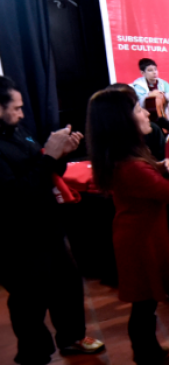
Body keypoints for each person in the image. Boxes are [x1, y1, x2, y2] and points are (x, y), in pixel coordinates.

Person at [0, 77, 105, 365]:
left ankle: (72, 338)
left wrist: (60, 154)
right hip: (16, 238)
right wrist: (49, 158)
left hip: (48, 225)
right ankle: (34, 354)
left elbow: (43, 170)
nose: (22, 114)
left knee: (67, 285)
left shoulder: (18, 131)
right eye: (17, 108)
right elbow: (14, 195)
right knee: (28, 300)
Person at [87, 88, 169, 363]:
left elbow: (142, 182)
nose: (146, 113)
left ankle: (147, 350)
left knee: (145, 304)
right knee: (144, 305)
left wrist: (158, 170)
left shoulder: (126, 157)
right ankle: (146, 355)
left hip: (140, 234)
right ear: (122, 120)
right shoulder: (130, 166)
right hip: (140, 241)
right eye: (137, 109)